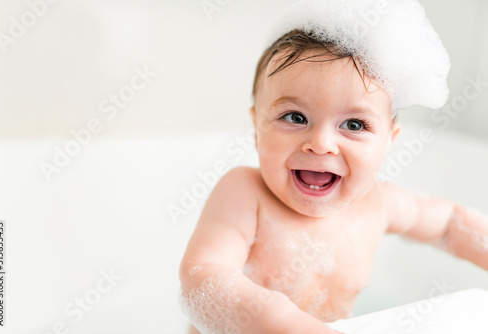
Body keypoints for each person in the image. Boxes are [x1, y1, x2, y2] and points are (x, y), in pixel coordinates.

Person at [178, 1, 488, 333]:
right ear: (257, 127)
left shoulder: (378, 203)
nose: (322, 143)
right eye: (295, 117)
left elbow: (449, 226)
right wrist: (288, 325)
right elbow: (203, 276)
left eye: (354, 125)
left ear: (388, 141)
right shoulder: (245, 194)